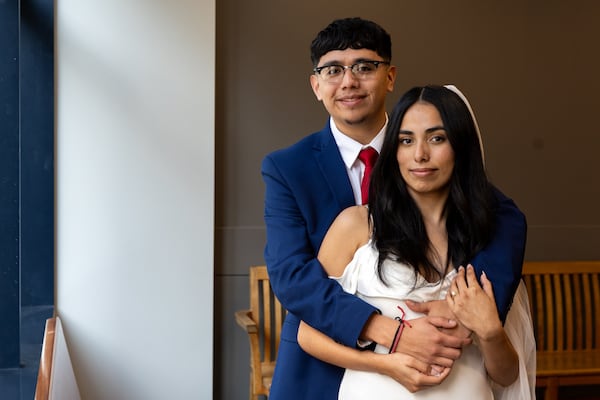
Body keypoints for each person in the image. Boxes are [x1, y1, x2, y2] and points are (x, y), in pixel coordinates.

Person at [261, 17, 527, 400]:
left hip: (446, 361)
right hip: (320, 361)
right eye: (333, 70)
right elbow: (291, 276)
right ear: (316, 85)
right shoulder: (287, 167)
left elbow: (503, 217)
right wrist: (389, 332)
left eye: (365, 67)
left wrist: (468, 309)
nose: (349, 81)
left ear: (389, 76)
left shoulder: (420, 148)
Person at [296, 85, 536, 399]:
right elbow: (307, 335)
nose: (420, 154)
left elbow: (505, 376)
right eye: (406, 140)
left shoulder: (488, 244)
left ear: (460, 146)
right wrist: (385, 364)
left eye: (437, 138)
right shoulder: (355, 226)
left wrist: (490, 331)